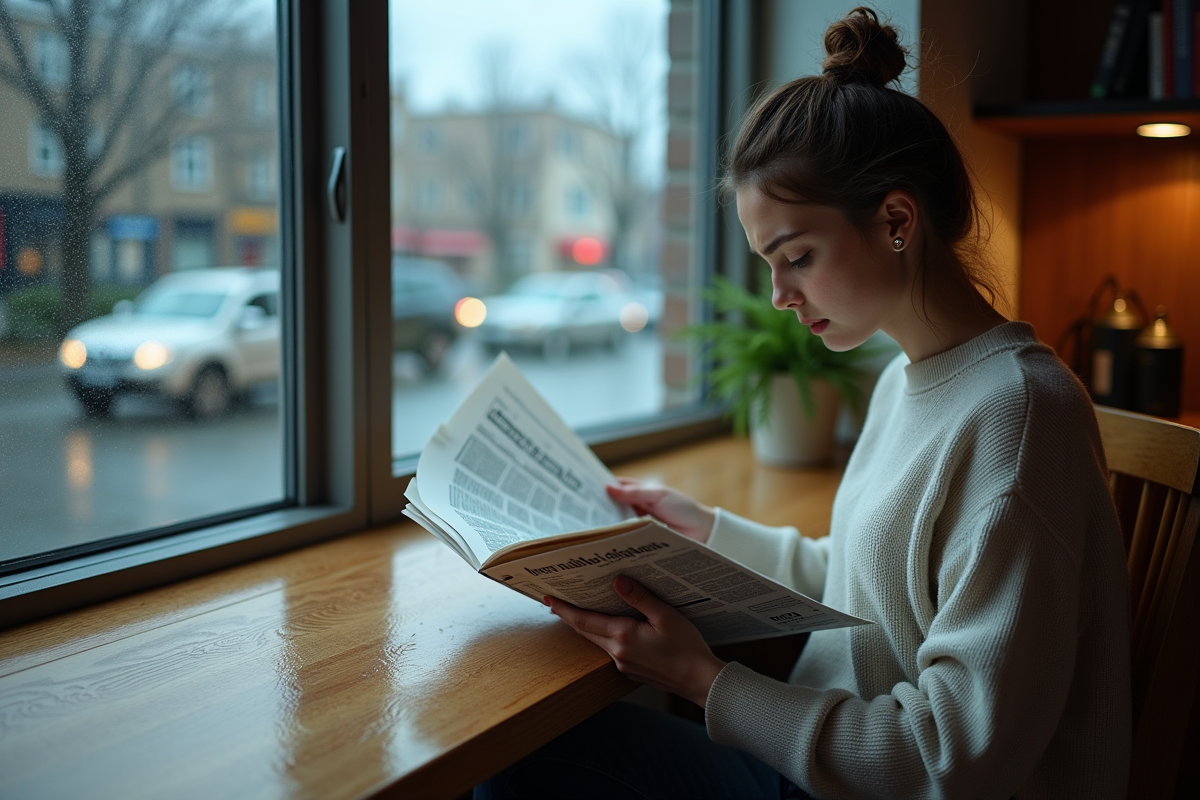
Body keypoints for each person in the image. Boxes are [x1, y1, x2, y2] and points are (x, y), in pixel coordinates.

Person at [476, 7, 1132, 799]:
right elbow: (864, 587)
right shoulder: (909, 380)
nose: (781, 295)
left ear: (896, 221)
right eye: (768, 264)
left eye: (797, 257)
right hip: (843, 760)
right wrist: (707, 531)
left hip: (882, 780)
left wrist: (702, 681)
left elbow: (951, 758)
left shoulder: (1021, 420)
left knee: (522, 766)